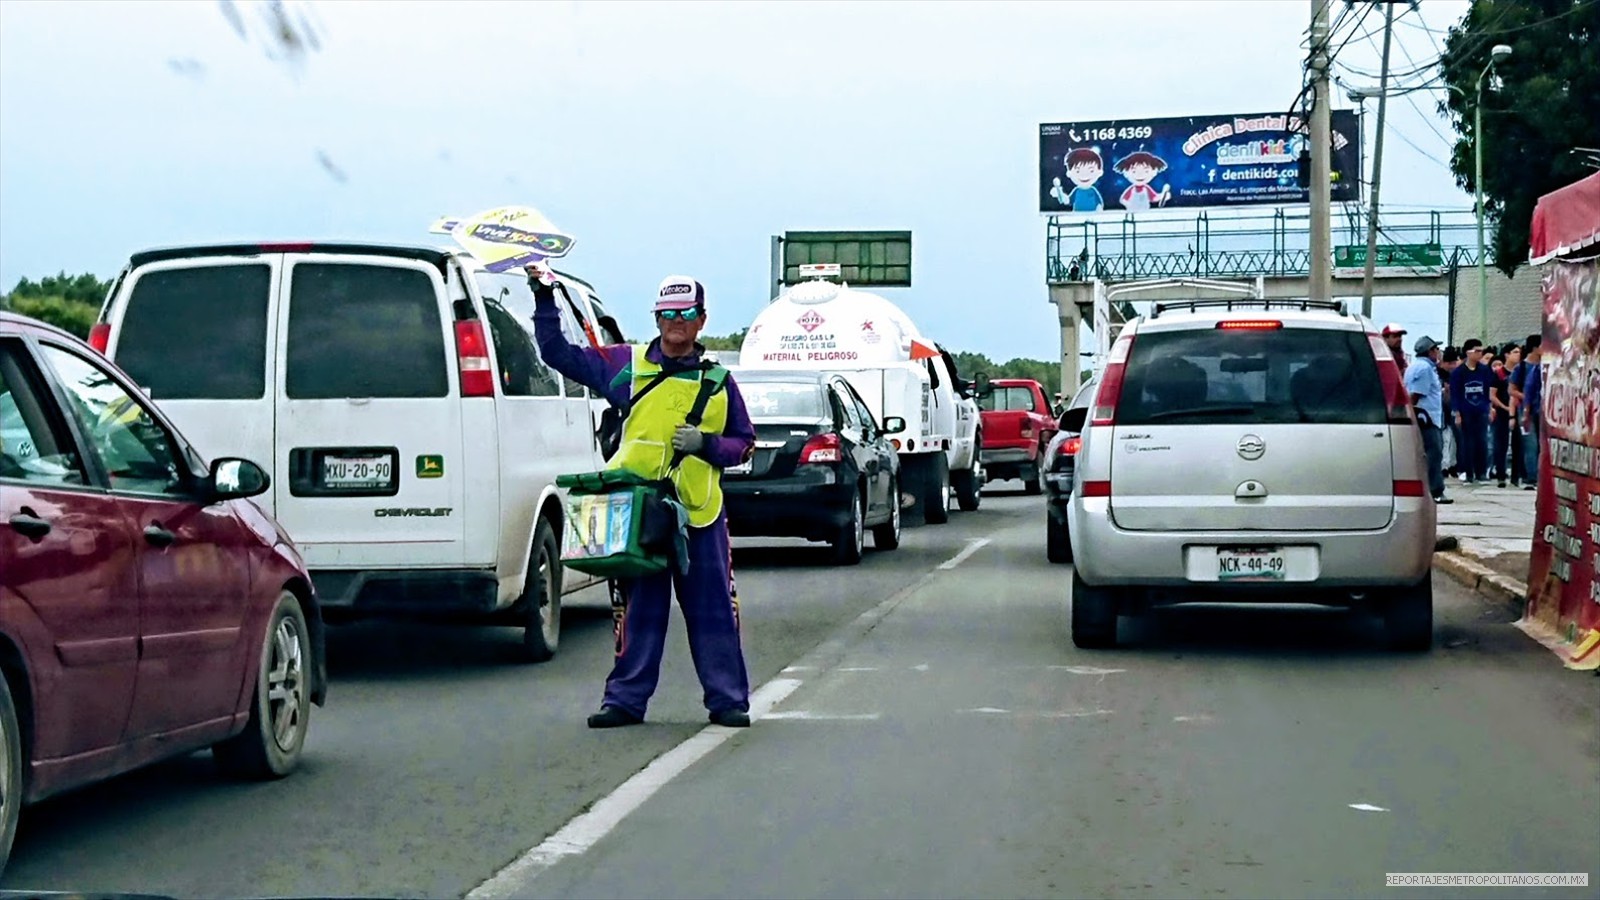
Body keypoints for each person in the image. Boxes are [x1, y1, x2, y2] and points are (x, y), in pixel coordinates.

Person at [528, 263, 757, 729]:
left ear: (702, 319)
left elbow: (744, 442)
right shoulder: (626, 368)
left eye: (686, 312)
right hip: (636, 512)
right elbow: (556, 352)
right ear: (656, 318)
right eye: (668, 312)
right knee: (638, 612)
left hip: (698, 515)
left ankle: (727, 700)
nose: (677, 320)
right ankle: (625, 702)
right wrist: (544, 296)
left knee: (712, 610)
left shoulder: (718, 382)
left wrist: (707, 445)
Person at [1405, 335, 1451, 504]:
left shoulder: (1416, 367)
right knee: (1434, 454)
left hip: (1427, 417)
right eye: (1436, 349)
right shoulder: (1424, 369)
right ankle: (1435, 490)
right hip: (1427, 418)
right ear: (1430, 351)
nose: (1438, 352)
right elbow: (1416, 394)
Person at [1450, 340, 1493, 483]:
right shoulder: (1459, 372)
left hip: (1481, 410)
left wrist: (1490, 408)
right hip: (1465, 411)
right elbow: (1455, 393)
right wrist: (1457, 413)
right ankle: (1468, 472)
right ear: (1468, 352)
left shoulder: (1484, 370)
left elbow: (1488, 390)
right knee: (1467, 443)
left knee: (1482, 441)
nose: (1480, 354)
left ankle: (1481, 472)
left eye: (1482, 351)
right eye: (1477, 351)